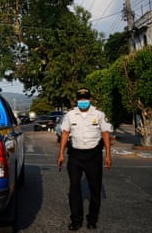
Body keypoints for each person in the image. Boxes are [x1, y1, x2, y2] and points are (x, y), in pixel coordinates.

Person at [57, 88, 112, 231]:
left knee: (95, 188)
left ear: (90, 99)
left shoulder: (99, 115)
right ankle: (76, 220)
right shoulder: (70, 115)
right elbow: (65, 134)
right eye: (80, 99)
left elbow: (105, 134)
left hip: (94, 156)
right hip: (75, 155)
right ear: (77, 100)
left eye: (85, 99)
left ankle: (92, 219)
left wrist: (108, 156)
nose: (83, 102)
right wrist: (61, 154)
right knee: (74, 187)